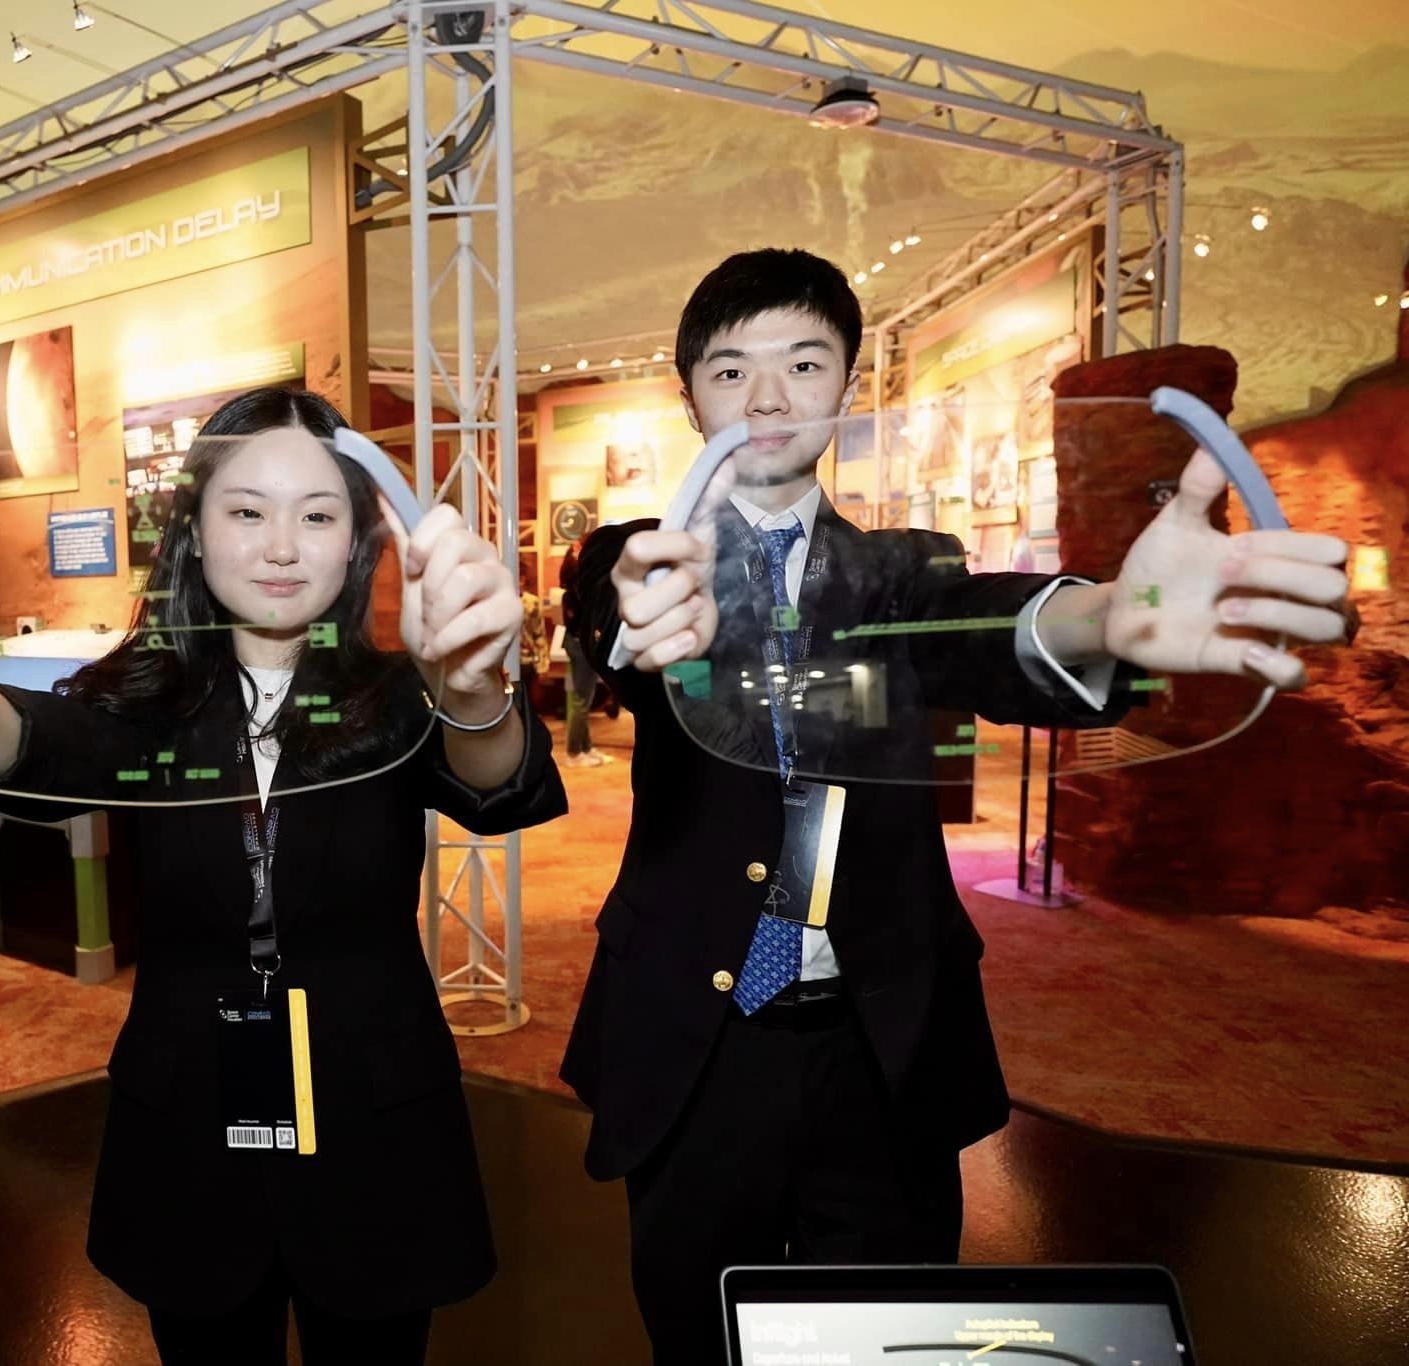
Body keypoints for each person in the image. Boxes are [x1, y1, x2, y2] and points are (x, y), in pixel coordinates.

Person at [557, 249, 1353, 1364]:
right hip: (698, 1035)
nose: (768, 398)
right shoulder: (636, 560)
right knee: (692, 1329)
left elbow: (983, 625)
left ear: (845, 386)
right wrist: (646, 619)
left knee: (889, 1334)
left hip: (877, 1040)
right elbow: (621, 622)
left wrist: (1107, 616)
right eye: (731, 370)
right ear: (689, 394)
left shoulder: (900, 572)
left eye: (803, 364)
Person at [0, 387, 565, 1365]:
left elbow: (495, 782)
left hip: (373, 1129)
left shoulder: (398, 698)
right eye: (247, 511)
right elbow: (31, 744)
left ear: (356, 544)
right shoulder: (145, 701)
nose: (282, 547)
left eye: (317, 515)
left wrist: (469, 686)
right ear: (196, 532)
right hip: (192, 1131)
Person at [557, 541, 606, 767]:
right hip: (580, 645)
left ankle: (585, 747)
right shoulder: (579, 594)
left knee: (582, 698)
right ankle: (574, 752)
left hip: (576, 644)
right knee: (581, 700)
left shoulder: (570, 594)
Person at [520, 558, 549, 713]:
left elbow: (539, 634)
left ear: (522, 579)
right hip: (504, 663)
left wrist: (542, 664)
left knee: (528, 705)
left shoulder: (531, 603)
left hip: (527, 660)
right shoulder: (499, 602)